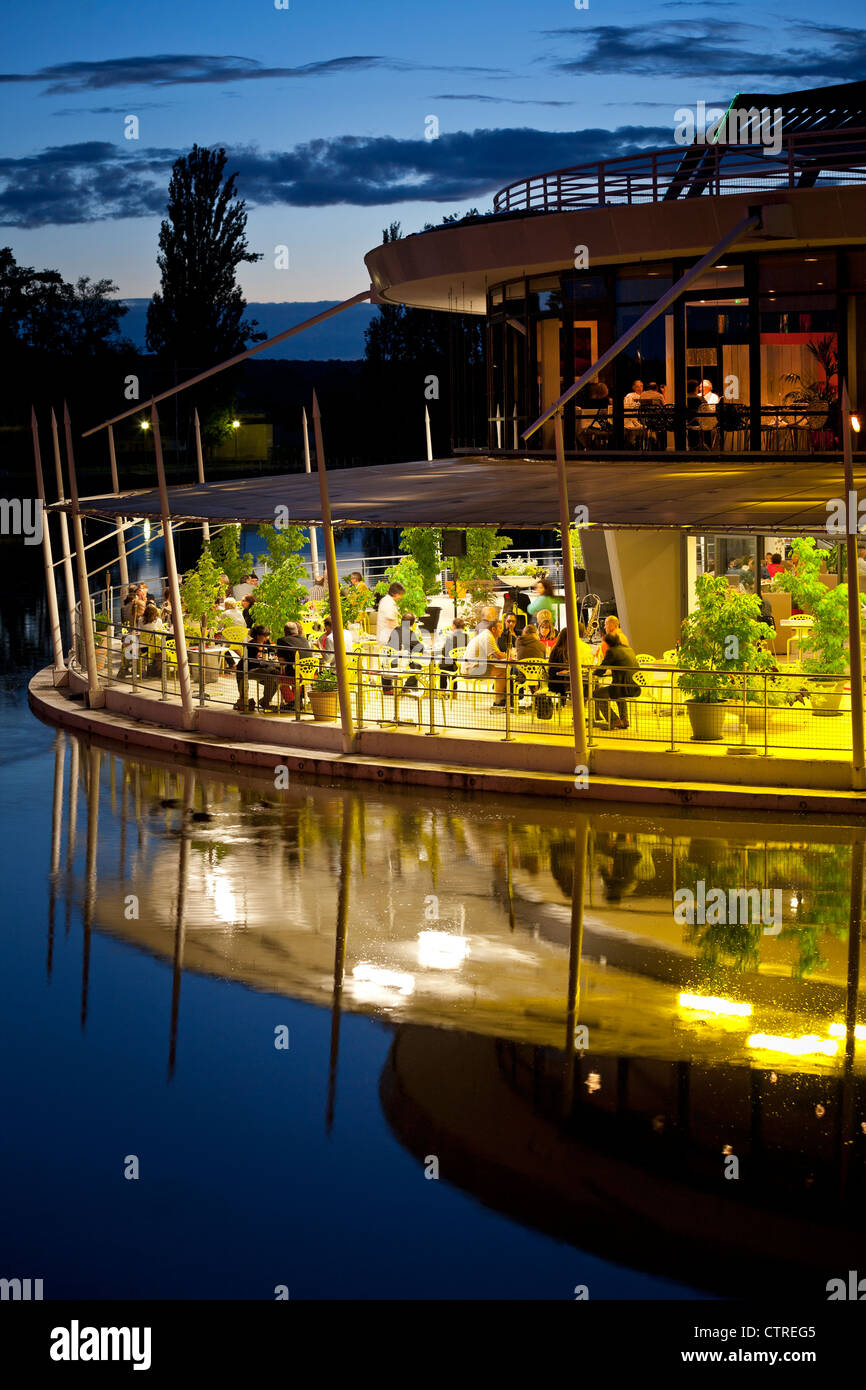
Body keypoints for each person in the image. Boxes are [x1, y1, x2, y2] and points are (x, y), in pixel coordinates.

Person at [595, 631, 641, 730]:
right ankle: (624, 719)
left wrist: (592, 672)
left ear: (607, 643)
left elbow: (601, 669)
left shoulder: (612, 651)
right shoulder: (629, 649)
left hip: (622, 688)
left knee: (597, 694)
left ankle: (613, 720)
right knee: (618, 694)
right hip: (635, 687)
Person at [461, 618, 510, 708]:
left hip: (472, 666)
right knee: (504, 672)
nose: (502, 630)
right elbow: (498, 655)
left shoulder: (485, 635)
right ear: (493, 629)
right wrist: (511, 656)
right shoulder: (488, 636)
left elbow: (495, 655)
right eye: (500, 628)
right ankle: (498, 702)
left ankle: (502, 700)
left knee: (504, 669)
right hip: (472, 669)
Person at [233, 625, 281, 711]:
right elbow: (251, 662)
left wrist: (273, 658)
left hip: (262, 668)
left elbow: (272, 654)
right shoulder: (250, 645)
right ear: (258, 636)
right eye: (265, 636)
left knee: (277, 676)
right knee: (269, 676)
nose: (267, 637)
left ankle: (265, 700)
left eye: (267, 635)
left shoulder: (266, 643)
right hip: (247, 669)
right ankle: (265, 702)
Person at [276, 621, 313, 708]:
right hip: (309, 674)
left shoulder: (282, 640)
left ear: (285, 632)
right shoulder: (304, 639)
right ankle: (297, 701)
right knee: (294, 672)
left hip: (297, 675)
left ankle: (292, 701)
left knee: (280, 678)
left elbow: (281, 661)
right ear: (296, 631)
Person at [377, 582, 405, 692]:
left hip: (387, 635)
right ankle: (387, 688)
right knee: (388, 662)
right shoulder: (388, 603)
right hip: (387, 636)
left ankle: (389, 686)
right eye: (400, 594)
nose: (400, 596)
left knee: (388, 661)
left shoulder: (386, 600)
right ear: (395, 593)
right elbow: (390, 621)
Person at [437, 617, 467, 690]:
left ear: (454, 626)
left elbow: (444, 651)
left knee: (442, 665)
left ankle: (442, 691)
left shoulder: (450, 636)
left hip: (450, 664)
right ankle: (454, 692)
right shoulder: (467, 636)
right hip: (460, 664)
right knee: (452, 664)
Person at [138, 602, 165, 676]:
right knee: (161, 652)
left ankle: (147, 670)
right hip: (155, 647)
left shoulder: (140, 620)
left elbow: (139, 630)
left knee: (155, 650)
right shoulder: (158, 621)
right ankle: (159, 671)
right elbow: (161, 631)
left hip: (144, 647)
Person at [623, 379, 644, 444]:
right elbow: (627, 407)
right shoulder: (630, 395)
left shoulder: (645, 395)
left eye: (641, 386)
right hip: (632, 417)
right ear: (633, 388)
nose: (639, 388)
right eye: (637, 386)